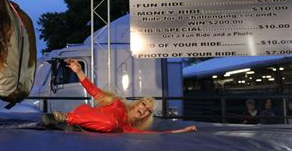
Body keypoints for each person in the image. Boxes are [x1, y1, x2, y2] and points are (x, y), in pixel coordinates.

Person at [42, 59, 197, 134]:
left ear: (146, 116)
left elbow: (156, 134)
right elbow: (94, 90)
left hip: (89, 128)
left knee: (111, 128)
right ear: (138, 104)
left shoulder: (127, 128)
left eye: (148, 111)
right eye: (144, 105)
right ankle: (64, 117)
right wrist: (78, 72)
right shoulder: (116, 103)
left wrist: (183, 130)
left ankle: (78, 128)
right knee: (110, 123)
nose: (144, 110)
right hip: (82, 113)